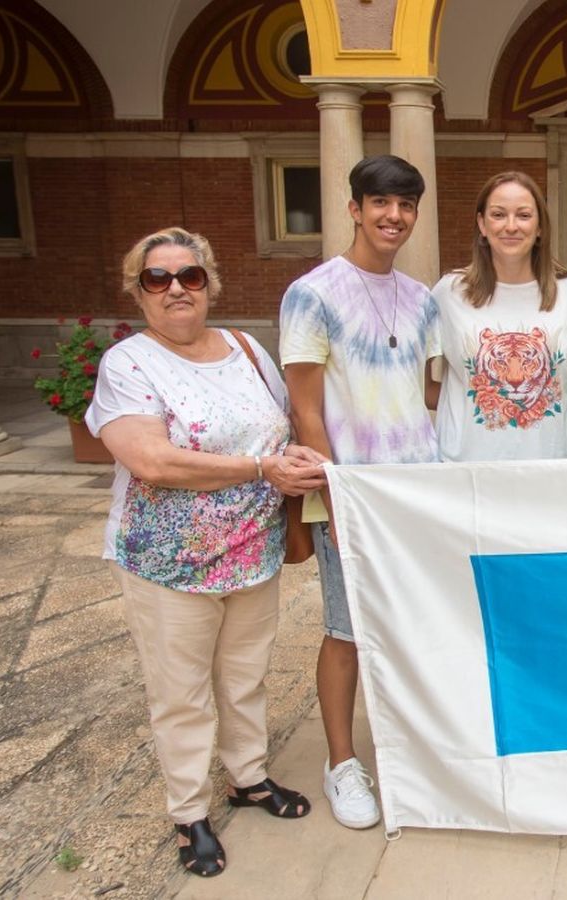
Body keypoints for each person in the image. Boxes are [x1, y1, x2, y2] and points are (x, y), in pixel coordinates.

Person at [88, 227, 328, 877]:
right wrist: (260, 469)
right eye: (157, 279)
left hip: (251, 552)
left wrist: (306, 464)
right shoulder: (129, 364)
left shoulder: (248, 349)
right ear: (137, 291)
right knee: (182, 694)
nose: (175, 290)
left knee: (245, 675)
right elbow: (151, 460)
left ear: (209, 284)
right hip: (169, 564)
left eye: (189, 277)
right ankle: (189, 812)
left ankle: (248, 779)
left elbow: (287, 427)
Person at [279, 154, 441, 830]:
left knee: (412, 626)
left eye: (405, 205)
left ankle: (415, 751)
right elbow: (306, 407)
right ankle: (342, 762)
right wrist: (335, 496)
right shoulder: (312, 294)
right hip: (352, 493)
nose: (393, 216)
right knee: (346, 630)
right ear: (353, 208)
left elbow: (428, 394)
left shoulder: (421, 296)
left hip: (416, 495)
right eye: (380, 203)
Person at [429, 171, 567, 460]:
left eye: (524, 215)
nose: (511, 226)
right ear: (482, 223)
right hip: (467, 470)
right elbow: (418, 384)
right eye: (498, 214)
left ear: (540, 225)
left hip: (549, 465)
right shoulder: (449, 293)